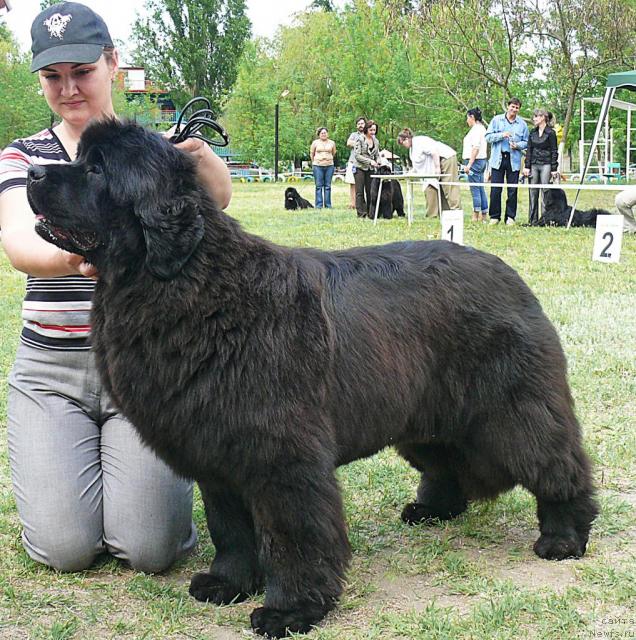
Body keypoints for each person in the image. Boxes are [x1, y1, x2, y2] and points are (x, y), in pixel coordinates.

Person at [0, 2, 231, 573]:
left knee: (151, 550)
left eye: (82, 70)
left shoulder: (148, 152)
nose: (69, 88)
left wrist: (198, 159)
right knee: (66, 548)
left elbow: (218, 200)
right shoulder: (26, 157)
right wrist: (84, 251)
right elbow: (18, 245)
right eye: (53, 77)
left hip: (150, 367)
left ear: (112, 63)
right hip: (53, 374)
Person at [396, 127, 460, 218]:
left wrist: (437, 168)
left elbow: (434, 151)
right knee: (440, 189)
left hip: (445, 158)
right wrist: (409, 173)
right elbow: (417, 165)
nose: (403, 145)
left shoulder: (419, 141)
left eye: (403, 143)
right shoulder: (412, 149)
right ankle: (445, 213)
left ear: (407, 139)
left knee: (449, 186)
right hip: (436, 162)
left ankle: (456, 211)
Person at [485, 97, 529, 225]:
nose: (514, 109)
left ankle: (510, 217)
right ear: (508, 106)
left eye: (517, 108)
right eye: (512, 107)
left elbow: (526, 142)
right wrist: (501, 135)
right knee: (495, 189)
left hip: (513, 159)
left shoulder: (522, 124)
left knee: (512, 190)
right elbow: (488, 137)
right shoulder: (496, 120)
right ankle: (494, 217)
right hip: (498, 159)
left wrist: (518, 145)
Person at [523, 109, 559, 225]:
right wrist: (526, 166)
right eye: (534, 117)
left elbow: (554, 151)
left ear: (543, 117)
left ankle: (545, 220)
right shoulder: (532, 132)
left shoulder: (551, 133)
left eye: (536, 117)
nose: (534, 119)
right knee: (533, 192)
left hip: (546, 164)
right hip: (533, 163)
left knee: (546, 192)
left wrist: (554, 168)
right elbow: (529, 150)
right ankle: (532, 220)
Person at [462, 107, 489, 222]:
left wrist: (469, 164)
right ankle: (484, 213)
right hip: (481, 161)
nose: (467, 121)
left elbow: (475, 147)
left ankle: (475, 215)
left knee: (475, 189)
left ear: (472, 117)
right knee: (480, 188)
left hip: (475, 162)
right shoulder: (482, 129)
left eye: (467, 118)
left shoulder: (476, 130)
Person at [352, 120, 380, 218]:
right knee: (359, 191)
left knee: (370, 191)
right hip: (359, 168)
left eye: (374, 130)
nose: (373, 132)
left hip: (370, 169)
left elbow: (377, 154)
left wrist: (378, 161)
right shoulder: (360, 139)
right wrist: (369, 161)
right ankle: (361, 213)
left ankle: (370, 212)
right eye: (371, 130)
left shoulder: (376, 141)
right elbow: (357, 155)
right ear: (366, 129)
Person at [310, 127, 336, 209]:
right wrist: (315, 162)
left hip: (329, 166)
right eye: (322, 133)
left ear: (327, 134)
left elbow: (333, 152)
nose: (324, 134)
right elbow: (312, 153)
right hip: (318, 166)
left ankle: (328, 205)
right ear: (319, 134)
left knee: (328, 186)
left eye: (325, 133)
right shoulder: (315, 143)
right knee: (318, 186)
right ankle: (318, 205)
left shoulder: (332, 143)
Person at [345, 117, 366, 209]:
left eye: (362, 123)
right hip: (353, 161)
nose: (361, 125)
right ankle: (353, 203)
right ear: (357, 126)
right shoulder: (354, 134)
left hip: (365, 163)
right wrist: (360, 143)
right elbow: (349, 143)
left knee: (365, 184)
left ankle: (363, 203)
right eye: (359, 124)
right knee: (352, 183)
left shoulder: (369, 134)